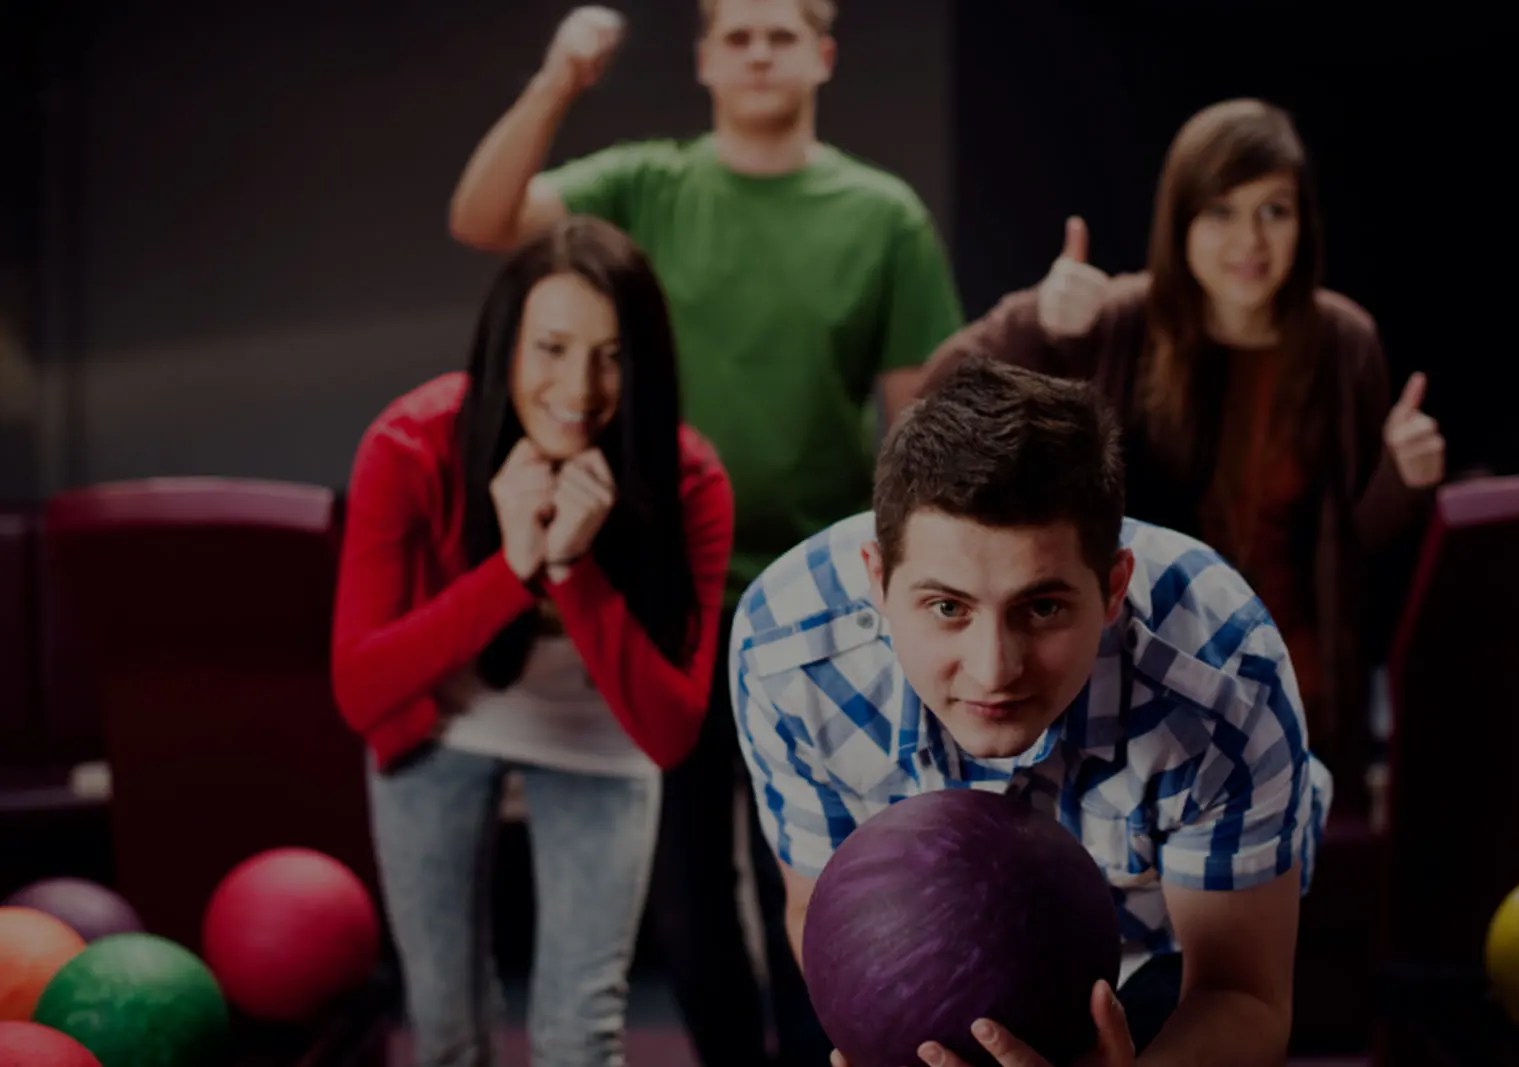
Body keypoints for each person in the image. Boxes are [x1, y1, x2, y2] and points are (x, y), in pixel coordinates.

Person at [448, 3, 964, 1063]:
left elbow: (924, 423)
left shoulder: (882, 215)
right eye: (737, 34)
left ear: (823, 54)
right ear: (704, 61)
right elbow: (483, 217)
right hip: (670, 593)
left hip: (829, 603)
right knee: (686, 895)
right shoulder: (645, 184)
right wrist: (557, 80)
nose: (760, 51)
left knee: (823, 878)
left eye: (783, 32)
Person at [733, 359, 1329, 1066]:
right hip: (936, 941)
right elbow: (824, 912)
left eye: (1041, 607)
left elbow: (1242, 995)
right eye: (947, 607)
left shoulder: (1225, 675)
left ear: (1113, 589)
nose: (994, 668)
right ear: (877, 580)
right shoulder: (787, 651)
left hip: (1167, 933)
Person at [924, 98, 1445, 804]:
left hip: (1297, 687)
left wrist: (1403, 480)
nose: (1250, 240)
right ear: (1181, 220)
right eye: (1221, 211)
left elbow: (1356, 550)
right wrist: (1037, 319)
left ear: (1304, 223)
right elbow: (938, 397)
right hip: (1138, 683)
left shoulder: (1342, 341)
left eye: (1275, 211)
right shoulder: (1122, 319)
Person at [331, 216, 733, 1067]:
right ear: (504, 346)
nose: (579, 386)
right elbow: (361, 689)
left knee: (577, 1039)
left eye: (612, 354)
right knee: (446, 1026)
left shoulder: (690, 479)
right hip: (440, 722)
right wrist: (510, 571)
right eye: (550, 347)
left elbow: (670, 732)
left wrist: (574, 568)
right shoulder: (408, 446)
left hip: (600, 733)